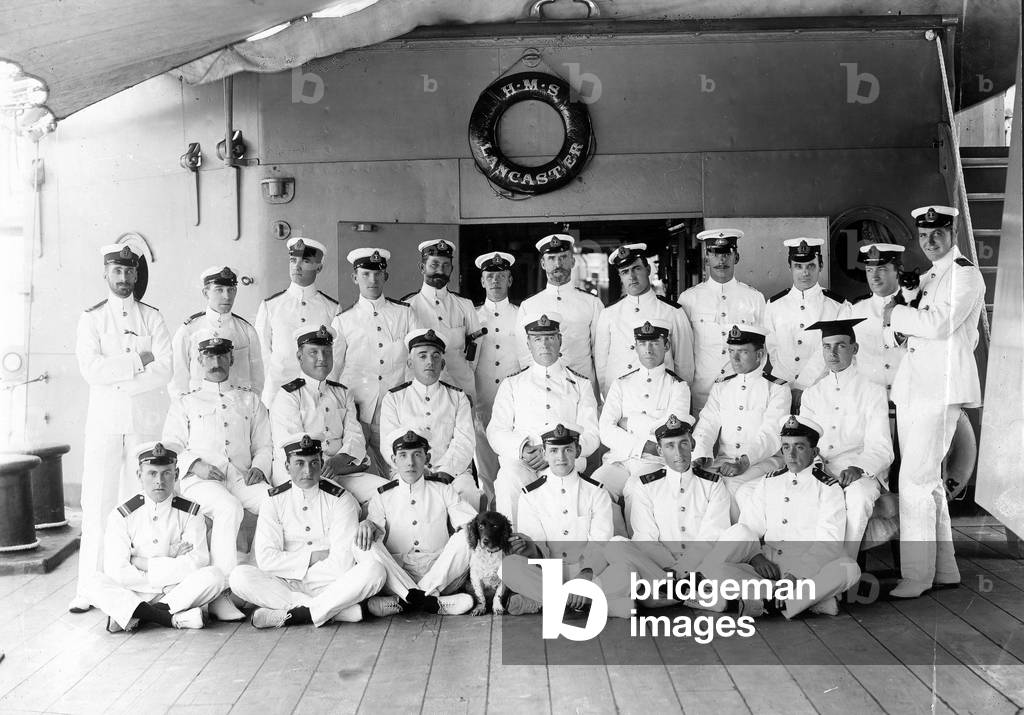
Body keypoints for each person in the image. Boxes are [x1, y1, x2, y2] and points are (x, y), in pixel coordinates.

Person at [882, 205, 984, 598]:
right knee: (930, 483)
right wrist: (898, 318)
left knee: (914, 481)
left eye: (938, 233)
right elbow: (897, 336)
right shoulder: (927, 277)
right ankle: (944, 569)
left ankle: (916, 575)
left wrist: (897, 315)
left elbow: (938, 325)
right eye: (924, 236)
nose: (930, 241)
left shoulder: (965, 275)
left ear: (952, 232)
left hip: (940, 389)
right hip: (913, 388)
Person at [71, 243, 172, 613]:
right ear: (106, 273)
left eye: (130, 271)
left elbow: (166, 368)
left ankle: (134, 585)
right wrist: (137, 361)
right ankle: (88, 587)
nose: (124, 278)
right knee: (97, 503)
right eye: (117, 271)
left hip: (143, 422)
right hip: (105, 424)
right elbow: (91, 370)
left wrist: (120, 377)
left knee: (139, 503)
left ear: (136, 274)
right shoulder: (93, 319)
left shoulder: (152, 317)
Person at [162, 334, 272, 620]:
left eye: (222, 356)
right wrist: (195, 464)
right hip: (200, 481)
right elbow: (172, 446)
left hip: (241, 478)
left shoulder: (250, 400)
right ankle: (221, 593)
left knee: (274, 502)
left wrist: (259, 467)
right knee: (228, 508)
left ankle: (257, 577)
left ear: (231, 359)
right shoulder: (186, 402)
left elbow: (264, 444)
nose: (216, 362)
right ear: (200, 360)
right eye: (209, 357)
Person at [229, 434, 387, 628]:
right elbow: (266, 559)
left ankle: (298, 614)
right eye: (299, 463)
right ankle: (336, 611)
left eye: (314, 463)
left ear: (322, 464)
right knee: (239, 577)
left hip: (330, 582)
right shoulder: (273, 500)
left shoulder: (340, 499)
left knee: (375, 570)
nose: (307, 471)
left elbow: (342, 564)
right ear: (287, 466)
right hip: (287, 583)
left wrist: (296, 568)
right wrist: (312, 557)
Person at [712, 415, 861, 618]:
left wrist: (795, 576)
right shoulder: (768, 481)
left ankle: (769, 600)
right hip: (769, 568)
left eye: (799, 447)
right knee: (718, 570)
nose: (791, 454)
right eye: (786, 447)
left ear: (814, 451)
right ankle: (805, 601)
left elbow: (828, 543)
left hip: (807, 570)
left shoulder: (828, 488)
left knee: (849, 569)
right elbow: (749, 528)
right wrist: (756, 558)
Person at [82, 441, 224, 632]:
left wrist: (144, 564)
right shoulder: (122, 514)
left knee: (214, 577)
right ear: (139, 475)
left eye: (166, 473)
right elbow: (117, 570)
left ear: (176, 474)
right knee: (92, 582)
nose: (160, 480)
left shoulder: (191, 511)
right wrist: (164, 574)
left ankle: (135, 615)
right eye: (152, 473)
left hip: (175, 590)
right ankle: (169, 618)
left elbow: (197, 562)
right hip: (137, 591)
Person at [604, 414, 731, 611]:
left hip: (699, 565)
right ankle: (685, 593)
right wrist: (670, 572)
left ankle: (662, 593)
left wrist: (681, 570)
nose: (678, 452)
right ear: (659, 450)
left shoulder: (712, 484)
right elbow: (645, 538)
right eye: (670, 446)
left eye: (683, 443)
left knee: (734, 540)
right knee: (615, 545)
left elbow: (712, 535)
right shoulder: (645, 485)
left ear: (692, 444)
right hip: (659, 566)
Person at [486, 312, 600, 525]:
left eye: (550, 337)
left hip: (565, 461)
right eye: (538, 339)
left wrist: (555, 452)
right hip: (524, 463)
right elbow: (496, 431)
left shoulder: (581, 385)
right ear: (528, 344)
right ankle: (512, 542)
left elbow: (592, 434)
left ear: (560, 340)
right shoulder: (512, 384)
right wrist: (523, 449)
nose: (545, 344)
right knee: (507, 480)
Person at [799, 319, 893, 558]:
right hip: (819, 468)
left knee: (859, 496)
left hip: (859, 470)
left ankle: (845, 565)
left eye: (840, 346)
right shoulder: (812, 394)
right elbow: (804, 444)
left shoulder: (872, 391)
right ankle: (805, 563)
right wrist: (817, 467)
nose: (832, 353)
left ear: (854, 348)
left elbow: (881, 446)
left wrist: (858, 469)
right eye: (827, 346)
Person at [500, 424, 618, 616]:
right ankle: (581, 602)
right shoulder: (530, 496)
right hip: (547, 577)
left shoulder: (596, 492)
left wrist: (585, 575)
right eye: (554, 450)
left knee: (626, 570)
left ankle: (547, 601)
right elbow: (537, 549)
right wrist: (528, 547)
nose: (561, 457)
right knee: (509, 566)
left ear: (577, 451)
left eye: (567, 450)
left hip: (587, 573)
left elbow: (601, 542)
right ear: (544, 454)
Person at [358, 429, 476, 616]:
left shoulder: (442, 489)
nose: (410, 462)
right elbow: (375, 532)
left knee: (469, 535)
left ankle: (406, 600)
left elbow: (471, 522)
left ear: (427, 458)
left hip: (440, 572)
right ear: (394, 460)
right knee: (361, 543)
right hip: (399, 573)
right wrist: (366, 525)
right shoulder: (383, 495)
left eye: (417, 455)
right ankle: (432, 602)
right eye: (403, 455)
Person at [593, 318, 692, 533]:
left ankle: (639, 544)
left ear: (666, 345)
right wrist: (645, 441)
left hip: (654, 461)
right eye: (643, 343)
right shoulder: (621, 384)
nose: (648, 349)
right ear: (635, 346)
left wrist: (630, 422)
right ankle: (617, 541)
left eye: (655, 343)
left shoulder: (678, 387)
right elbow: (606, 429)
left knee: (636, 488)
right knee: (597, 484)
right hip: (620, 459)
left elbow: (671, 431)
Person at [270, 325, 386, 505]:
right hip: (305, 475)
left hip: (340, 469)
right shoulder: (288, 396)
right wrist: (332, 465)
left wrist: (340, 461)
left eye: (327, 352)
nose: (322, 358)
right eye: (313, 352)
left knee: (390, 492)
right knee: (346, 503)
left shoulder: (342, 393)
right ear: (299, 357)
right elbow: (292, 451)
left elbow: (355, 436)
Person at [332, 247, 419, 477]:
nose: (372, 280)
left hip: (393, 409)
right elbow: (334, 372)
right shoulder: (343, 320)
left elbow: (415, 362)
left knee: (398, 473)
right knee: (351, 475)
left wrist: (408, 402)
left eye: (378, 274)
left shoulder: (404, 314)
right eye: (365, 274)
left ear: (385, 276)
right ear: (355, 277)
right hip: (355, 411)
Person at [690, 325, 791, 518]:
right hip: (724, 460)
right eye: (731, 351)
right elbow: (707, 424)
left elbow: (771, 434)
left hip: (761, 461)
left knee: (728, 489)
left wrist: (744, 461)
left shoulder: (777, 388)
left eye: (743, 352)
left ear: (759, 354)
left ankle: (729, 536)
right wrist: (699, 456)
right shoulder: (722, 386)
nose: (734, 359)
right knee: (693, 485)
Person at [380, 329, 483, 508]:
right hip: (408, 471)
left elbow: (465, 441)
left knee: (468, 491)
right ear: (410, 363)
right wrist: (418, 470)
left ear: (442, 364)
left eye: (436, 356)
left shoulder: (458, 397)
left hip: (453, 472)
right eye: (422, 356)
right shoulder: (394, 398)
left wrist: (446, 471)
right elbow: (388, 443)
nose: (430, 362)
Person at [678, 229, 766, 414]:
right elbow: (682, 352)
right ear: (707, 258)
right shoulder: (689, 298)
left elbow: (763, 349)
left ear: (736, 257)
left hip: (742, 394)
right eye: (715, 254)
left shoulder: (754, 298)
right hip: (702, 393)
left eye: (727, 254)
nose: (721, 260)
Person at [594, 243, 695, 396]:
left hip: (661, 396)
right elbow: (602, 365)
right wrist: (609, 398)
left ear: (648, 270)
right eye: (625, 272)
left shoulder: (673, 312)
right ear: (620, 276)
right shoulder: (609, 313)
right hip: (622, 398)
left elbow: (684, 364)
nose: (632, 276)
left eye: (636, 268)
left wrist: (680, 398)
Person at [763, 238, 849, 407]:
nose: (805, 273)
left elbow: (833, 351)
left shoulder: (838, 306)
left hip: (820, 389)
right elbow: (773, 351)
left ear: (820, 266)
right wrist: (786, 386)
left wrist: (803, 385)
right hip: (782, 390)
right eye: (798, 266)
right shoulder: (774, 305)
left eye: (811, 266)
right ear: (790, 267)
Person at [256, 237, 338, 406]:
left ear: (319, 267)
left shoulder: (331, 308)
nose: (296, 266)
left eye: (306, 261)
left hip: (318, 396)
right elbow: (262, 353)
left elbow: (335, 356)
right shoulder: (270, 306)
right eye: (293, 260)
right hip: (277, 392)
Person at [515, 234, 603, 387]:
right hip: (542, 387)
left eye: (563, 257)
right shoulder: (528, 306)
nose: (558, 263)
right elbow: (524, 355)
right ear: (543, 263)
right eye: (551, 258)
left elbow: (600, 354)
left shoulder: (592, 303)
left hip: (582, 386)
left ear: (573, 261)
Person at [472, 251, 523, 506]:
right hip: (481, 404)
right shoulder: (472, 315)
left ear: (509, 280)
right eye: (490, 276)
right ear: (482, 281)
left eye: (501, 276)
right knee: (485, 473)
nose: (495, 281)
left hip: (514, 407)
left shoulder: (521, 314)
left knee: (514, 469)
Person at [401, 239, 481, 398]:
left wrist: (464, 371)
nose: (440, 270)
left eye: (446, 265)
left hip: (460, 388)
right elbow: (404, 354)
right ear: (422, 267)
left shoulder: (465, 305)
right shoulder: (407, 307)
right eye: (434, 264)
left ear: (452, 268)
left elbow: (476, 348)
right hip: (421, 393)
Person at [171, 265, 263, 396]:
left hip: (238, 404)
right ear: (205, 293)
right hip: (200, 406)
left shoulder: (246, 330)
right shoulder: (189, 330)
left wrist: (250, 405)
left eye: (231, 290)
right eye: (219, 290)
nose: (227, 296)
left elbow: (257, 379)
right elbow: (177, 381)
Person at [848, 244, 909, 399]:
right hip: (868, 400)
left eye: (881, 269)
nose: (874, 277)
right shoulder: (853, 311)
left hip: (909, 399)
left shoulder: (916, 307)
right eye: (869, 270)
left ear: (899, 271)